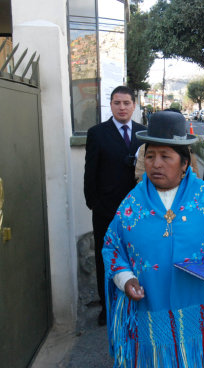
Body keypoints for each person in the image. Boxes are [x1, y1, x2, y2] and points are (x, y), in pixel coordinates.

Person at [102, 111, 204, 367]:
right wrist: (126, 279)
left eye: (165, 157)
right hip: (148, 306)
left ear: (184, 163)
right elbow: (112, 248)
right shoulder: (131, 206)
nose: (155, 164)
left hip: (196, 309)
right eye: (150, 156)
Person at [83, 85, 147, 326]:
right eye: (117, 103)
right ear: (110, 105)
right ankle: (107, 306)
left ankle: (135, 298)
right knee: (106, 257)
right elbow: (90, 172)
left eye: (126, 103)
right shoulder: (97, 133)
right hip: (106, 210)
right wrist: (94, 204)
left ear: (134, 105)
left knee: (136, 256)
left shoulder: (143, 133)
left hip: (139, 210)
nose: (122, 107)